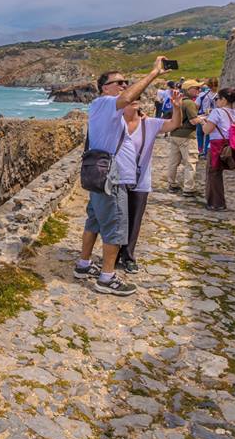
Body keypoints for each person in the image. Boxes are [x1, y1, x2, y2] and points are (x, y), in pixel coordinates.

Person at [74, 56, 172, 296]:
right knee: (115, 228)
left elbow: (128, 106)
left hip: (101, 176)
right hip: (112, 179)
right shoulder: (106, 103)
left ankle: (83, 264)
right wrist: (154, 73)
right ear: (104, 88)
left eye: (125, 82)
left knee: (94, 222)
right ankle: (106, 278)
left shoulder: (106, 110)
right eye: (118, 82)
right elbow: (127, 98)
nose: (124, 85)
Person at [115, 93, 184, 274]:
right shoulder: (115, 123)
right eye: (131, 98)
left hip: (140, 181)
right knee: (116, 219)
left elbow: (174, 124)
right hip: (117, 179)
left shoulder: (149, 124)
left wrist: (177, 108)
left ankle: (128, 256)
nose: (134, 100)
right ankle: (112, 255)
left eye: (137, 98)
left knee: (134, 220)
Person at [202, 88, 235, 211]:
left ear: (224, 100)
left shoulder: (217, 112)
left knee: (213, 174)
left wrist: (203, 123)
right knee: (217, 172)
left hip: (217, 146)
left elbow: (207, 130)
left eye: (218, 99)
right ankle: (217, 202)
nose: (216, 101)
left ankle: (216, 203)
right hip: (232, 147)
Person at [164, 79, 205, 196]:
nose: (199, 90)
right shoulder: (190, 103)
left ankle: (172, 183)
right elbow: (193, 121)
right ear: (188, 89)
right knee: (190, 162)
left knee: (173, 161)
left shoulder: (179, 101)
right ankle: (188, 188)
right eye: (196, 88)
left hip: (174, 134)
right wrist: (203, 118)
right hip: (187, 136)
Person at [196, 77, 218, 156]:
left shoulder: (202, 94)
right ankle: (206, 152)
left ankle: (200, 150)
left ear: (208, 85)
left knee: (200, 134)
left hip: (202, 116)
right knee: (209, 134)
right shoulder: (219, 95)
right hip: (213, 117)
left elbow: (197, 106)